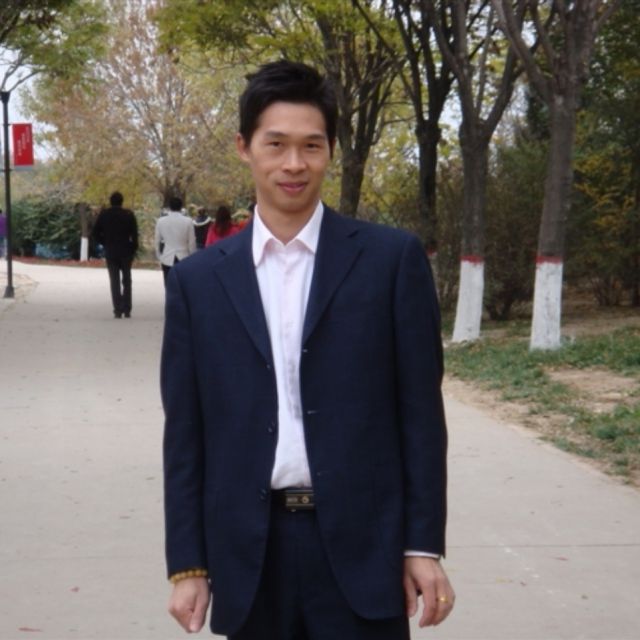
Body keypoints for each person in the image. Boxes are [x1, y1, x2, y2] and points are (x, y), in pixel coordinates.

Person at [161, 60, 454, 640]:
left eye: (311, 146)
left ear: (330, 151)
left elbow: (420, 414)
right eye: (276, 144)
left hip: (364, 547)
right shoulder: (199, 282)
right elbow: (186, 432)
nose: (293, 164)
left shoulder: (390, 261)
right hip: (250, 553)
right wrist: (188, 564)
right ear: (245, 148)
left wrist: (421, 545)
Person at [92, 192, 138, 318]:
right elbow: (134, 234)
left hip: (111, 251)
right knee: (127, 280)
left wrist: (105, 242)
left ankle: (118, 309)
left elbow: (95, 233)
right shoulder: (128, 215)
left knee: (114, 280)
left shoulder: (104, 215)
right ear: (122, 201)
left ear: (110, 201)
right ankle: (127, 308)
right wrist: (133, 248)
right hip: (126, 251)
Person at [155, 196, 196, 286]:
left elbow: (157, 240)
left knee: (169, 285)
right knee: (183, 286)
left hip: (167, 257)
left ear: (169, 207)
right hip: (184, 257)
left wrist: (159, 256)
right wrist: (192, 257)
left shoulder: (161, 221)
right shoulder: (188, 221)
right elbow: (192, 242)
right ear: (181, 207)